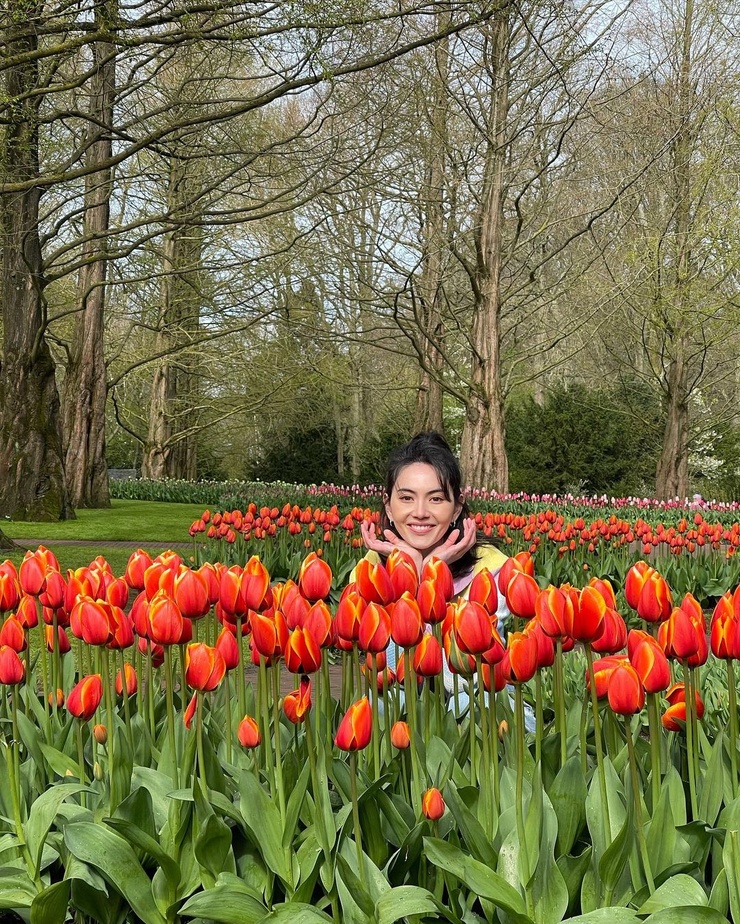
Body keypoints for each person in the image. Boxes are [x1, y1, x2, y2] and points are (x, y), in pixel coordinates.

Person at [357, 431, 512, 711]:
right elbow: (390, 673)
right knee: (384, 706)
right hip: (403, 699)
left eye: (436, 499)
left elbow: (464, 680)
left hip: (478, 697)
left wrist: (430, 572)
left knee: (473, 706)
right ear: (388, 506)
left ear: (457, 509)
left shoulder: (491, 569)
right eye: (406, 498)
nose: (420, 512)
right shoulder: (370, 569)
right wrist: (412, 576)